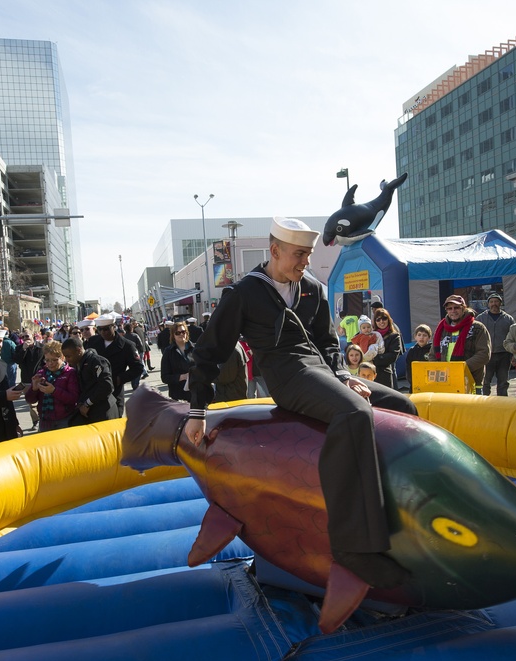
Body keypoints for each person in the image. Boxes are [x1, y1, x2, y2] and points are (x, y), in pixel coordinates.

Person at [184, 216, 416, 590]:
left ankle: (403, 517)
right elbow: (208, 353)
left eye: (308, 255)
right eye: (298, 255)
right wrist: (197, 411)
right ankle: (355, 547)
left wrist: (343, 377)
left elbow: (327, 344)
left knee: (403, 406)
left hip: (324, 371)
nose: (305, 262)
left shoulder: (312, 288)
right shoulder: (244, 293)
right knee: (354, 412)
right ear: (275, 251)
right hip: (289, 374)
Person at [432, 295, 491, 394]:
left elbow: (484, 354)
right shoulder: (441, 329)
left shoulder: (478, 328)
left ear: (464, 308)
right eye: (449, 308)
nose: (453, 311)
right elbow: (432, 354)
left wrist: (460, 369)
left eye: (456, 307)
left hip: (471, 382)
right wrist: (439, 371)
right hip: (445, 382)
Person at [87, 315, 143, 414]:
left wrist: (119, 379)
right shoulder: (93, 342)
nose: (103, 332)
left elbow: (138, 368)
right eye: (100, 329)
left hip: (115, 392)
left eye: (107, 329)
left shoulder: (127, 345)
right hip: (94, 391)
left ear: (114, 326)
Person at [60, 336, 118, 424]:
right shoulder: (77, 364)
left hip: (104, 411)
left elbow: (107, 387)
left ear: (78, 350)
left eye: (68, 356)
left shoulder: (96, 362)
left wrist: (87, 403)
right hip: (91, 412)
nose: (67, 360)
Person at [25, 340, 80, 431]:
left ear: (62, 358)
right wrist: (33, 389)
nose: (50, 363)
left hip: (65, 420)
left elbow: (73, 399)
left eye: (54, 360)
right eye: (47, 360)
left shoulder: (70, 373)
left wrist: (54, 391)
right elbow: (30, 400)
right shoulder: (41, 373)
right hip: (45, 420)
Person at [476, 293, 515, 396]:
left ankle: (502, 403)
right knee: (485, 381)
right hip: (486, 355)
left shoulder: (508, 319)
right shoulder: (480, 318)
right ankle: (484, 403)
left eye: (496, 301)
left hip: (504, 355)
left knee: (503, 382)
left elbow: (514, 337)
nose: (494, 304)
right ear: (488, 304)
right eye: (492, 302)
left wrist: (514, 355)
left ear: (500, 303)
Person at [14, 332, 46, 430]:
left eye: (27, 336)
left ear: (33, 336)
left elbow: (45, 361)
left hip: (40, 378)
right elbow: (17, 360)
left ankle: (43, 419)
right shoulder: (19, 348)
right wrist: (23, 349)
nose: (25, 338)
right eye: (22, 337)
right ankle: (35, 421)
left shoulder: (41, 347)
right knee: (31, 402)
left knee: (43, 400)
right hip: (27, 379)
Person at [160, 322, 196, 401]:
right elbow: (164, 377)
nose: (181, 334)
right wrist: (182, 377)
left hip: (197, 393)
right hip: (179, 395)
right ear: (173, 335)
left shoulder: (195, 348)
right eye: (177, 333)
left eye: (183, 332)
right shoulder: (168, 352)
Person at [371, 308, 403, 389]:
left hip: (385, 373)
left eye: (384, 318)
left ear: (388, 319)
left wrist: (375, 358)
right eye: (378, 319)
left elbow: (393, 356)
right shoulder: (371, 335)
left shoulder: (394, 336)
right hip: (370, 373)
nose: (381, 321)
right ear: (375, 322)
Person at [405, 324, 434, 388]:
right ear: (415, 337)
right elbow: (408, 368)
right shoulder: (412, 351)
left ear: (429, 337)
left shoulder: (432, 350)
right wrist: (412, 382)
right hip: (415, 383)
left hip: (429, 383)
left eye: (424, 335)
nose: (421, 337)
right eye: (419, 335)